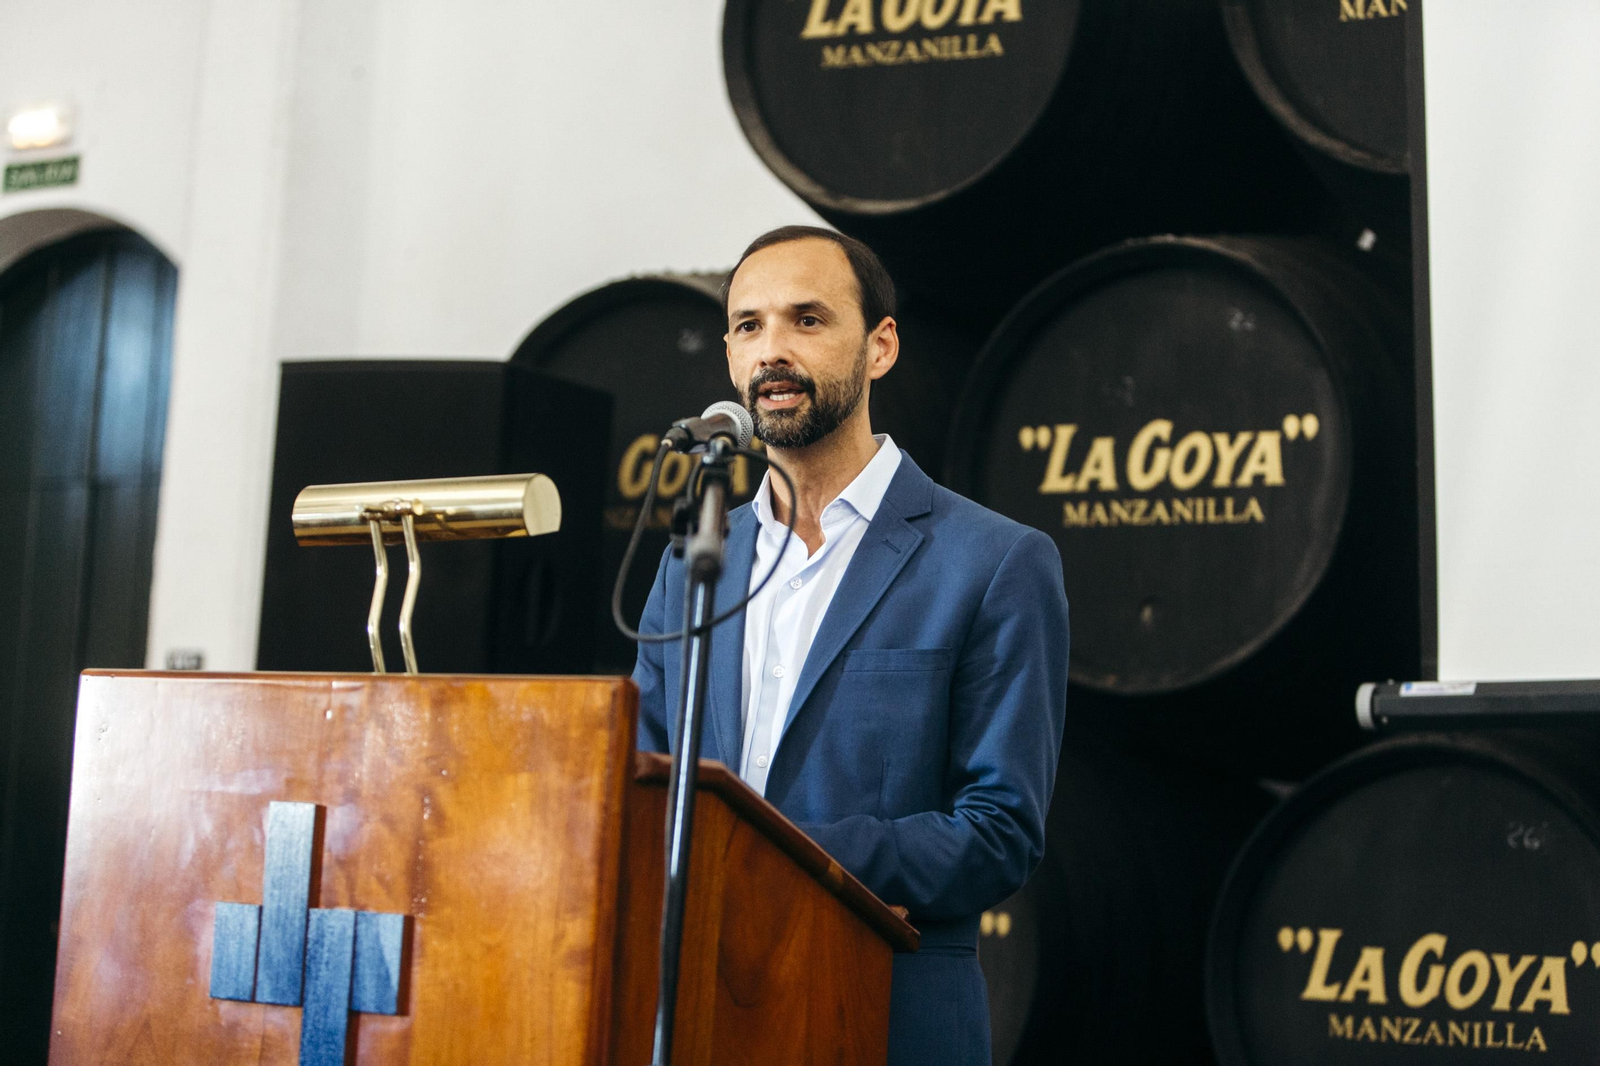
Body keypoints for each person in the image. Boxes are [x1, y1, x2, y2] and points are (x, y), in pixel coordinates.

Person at [631, 225, 1068, 1066]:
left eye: (808, 319)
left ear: (880, 347)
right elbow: (647, 786)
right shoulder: (692, 563)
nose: (773, 349)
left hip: (884, 1016)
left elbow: (999, 832)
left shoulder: (994, 562)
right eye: (750, 325)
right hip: (697, 1015)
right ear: (730, 356)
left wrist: (778, 857)